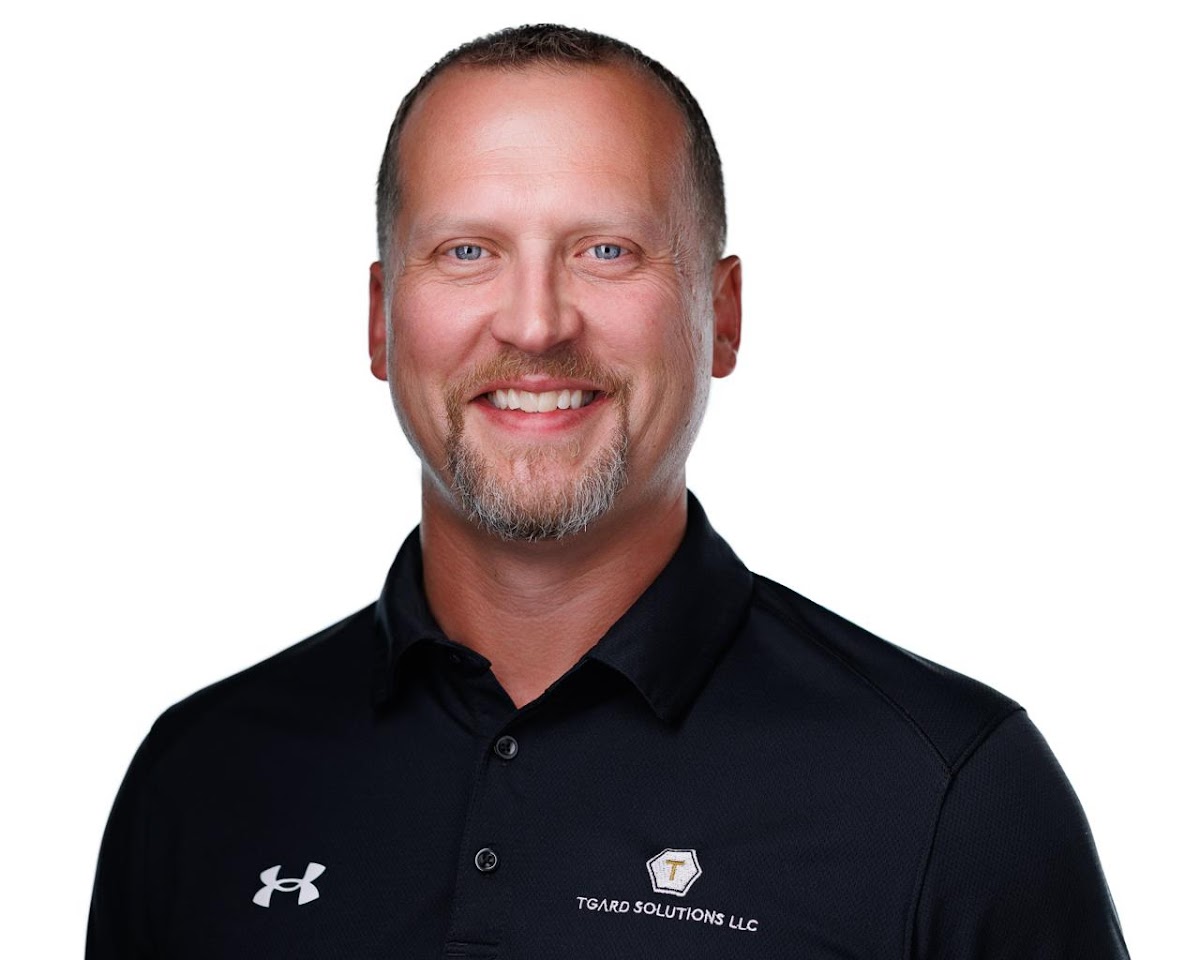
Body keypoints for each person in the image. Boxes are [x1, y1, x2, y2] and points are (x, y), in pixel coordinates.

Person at [87, 23, 1130, 959]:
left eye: (606, 250)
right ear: (379, 321)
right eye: (466, 251)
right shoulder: (200, 778)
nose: (536, 323)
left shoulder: (950, 793)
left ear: (721, 316)